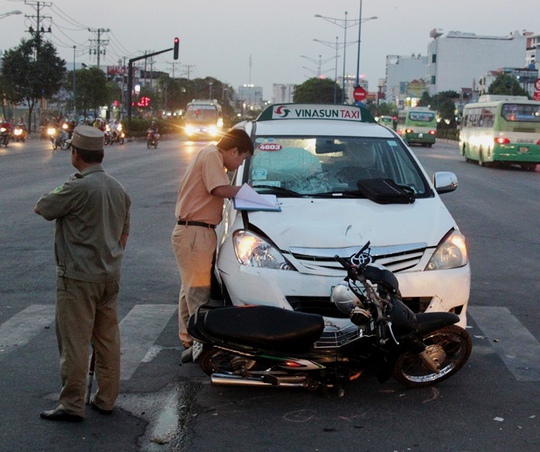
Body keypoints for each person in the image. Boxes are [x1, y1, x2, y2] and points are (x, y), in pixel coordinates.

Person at [35, 125, 131, 422]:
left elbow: (43, 207)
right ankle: (106, 399)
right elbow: (123, 236)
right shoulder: (118, 189)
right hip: (109, 276)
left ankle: (72, 403)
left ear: (76, 154)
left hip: (77, 277)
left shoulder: (77, 187)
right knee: (107, 341)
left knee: (75, 342)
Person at [171, 128, 254, 363]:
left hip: (195, 232)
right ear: (234, 150)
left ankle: (189, 339)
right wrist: (250, 194)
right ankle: (202, 346)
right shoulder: (212, 155)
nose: (239, 165)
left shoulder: (209, 155)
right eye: (241, 159)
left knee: (189, 289)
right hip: (195, 232)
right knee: (198, 292)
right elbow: (219, 189)